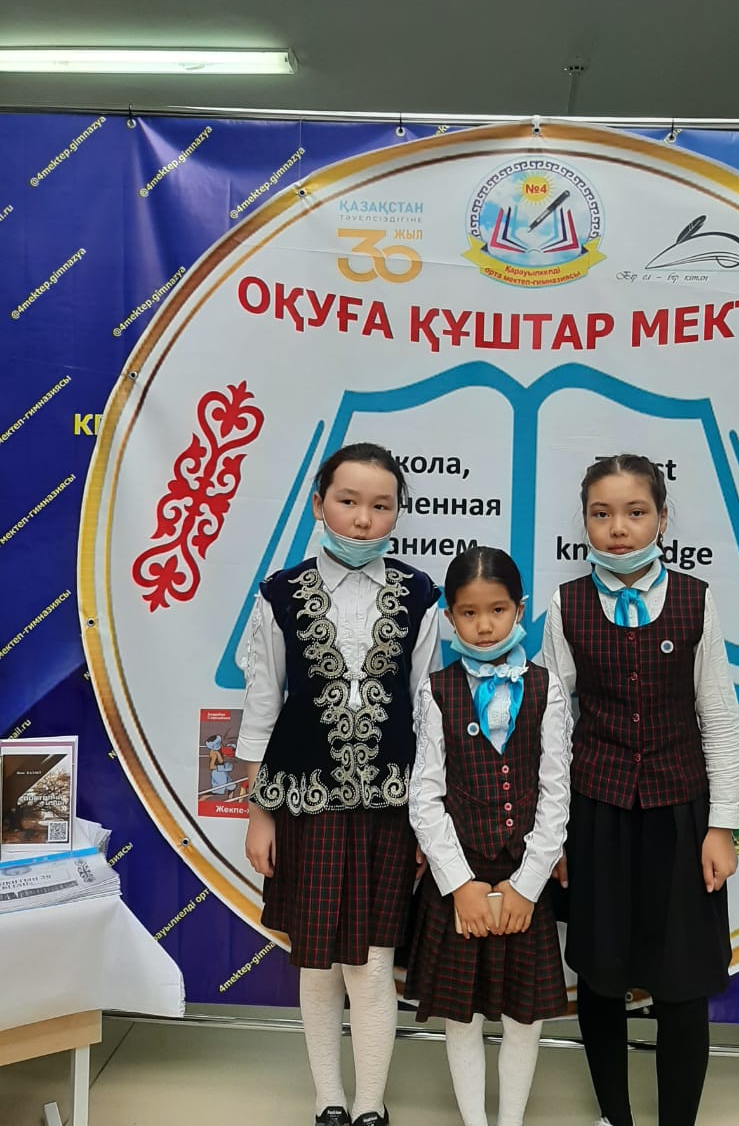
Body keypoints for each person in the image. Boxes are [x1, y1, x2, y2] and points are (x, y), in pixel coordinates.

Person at [237, 443, 442, 1126]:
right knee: (317, 963)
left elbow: (427, 709)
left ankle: (370, 1105)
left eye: (381, 506)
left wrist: (428, 819)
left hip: (390, 809)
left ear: (397, 513)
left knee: (374, 963)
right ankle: (328, 1099)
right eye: (348, 501)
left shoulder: (419, 594)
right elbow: (262, 703)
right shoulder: (280, 592)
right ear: (318, 503)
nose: (362, 519)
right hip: (305, 805)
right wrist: (259, 812)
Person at [541, 454, 739, 1126]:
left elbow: (720, 718)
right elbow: (552, 725)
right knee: (600, 977)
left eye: (635, 512)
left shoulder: (694, 598)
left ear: (661, 517)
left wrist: (722, 827)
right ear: (585, 521)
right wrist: (553, 835)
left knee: (683, 980)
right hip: (596, 814)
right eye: (601, 514)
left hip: (680, 813)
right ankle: (616, 1116)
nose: (618, 528)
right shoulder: (567, 603)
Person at [404, 546, 572, 1126]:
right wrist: (459, 884)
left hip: (526, 876)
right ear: (450, 617)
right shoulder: (436, 690)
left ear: (519, 609)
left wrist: (528, 884)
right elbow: (424, 796)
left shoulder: (547, 688)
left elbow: (556, 792)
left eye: (497, 610)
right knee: (462, 1015)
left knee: (526, 1018)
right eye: (468, 613)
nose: (483, 625)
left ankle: (510, 1121)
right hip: (461, 878)